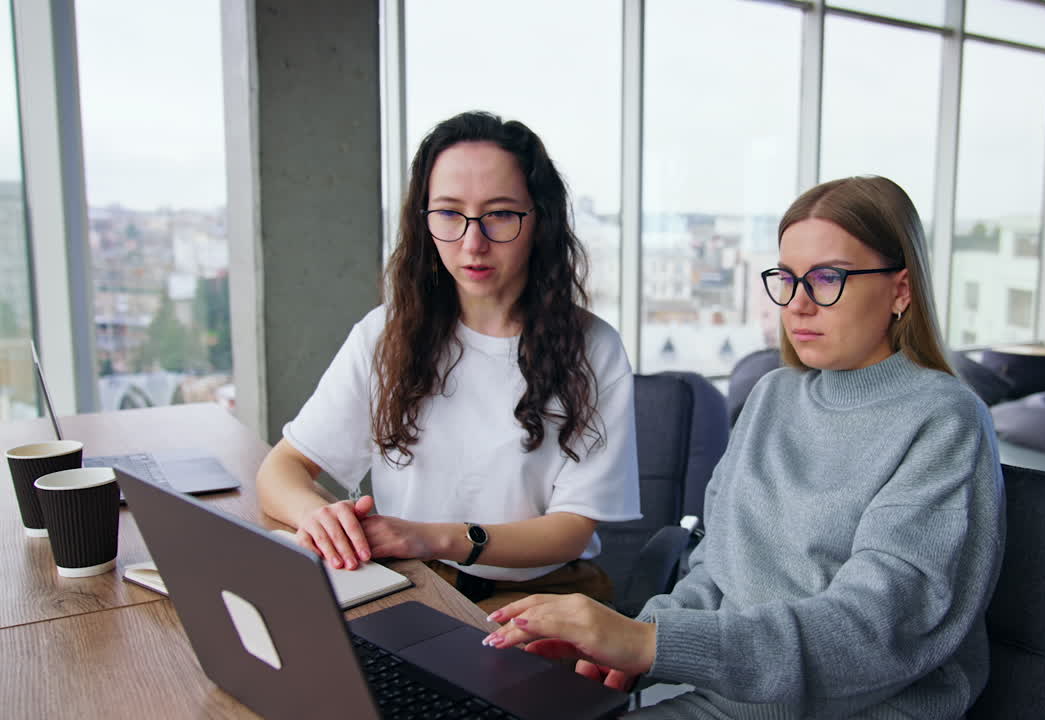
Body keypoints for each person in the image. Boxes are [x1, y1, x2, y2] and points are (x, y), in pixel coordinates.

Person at [483, 176, 1006, 719]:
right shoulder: (773, 396)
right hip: (731, 703)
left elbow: (876, 630)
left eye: (828, 278)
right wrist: (642, 636)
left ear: (901, 290)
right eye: (787, 278)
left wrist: (649, 645)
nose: (798, 305)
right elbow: (717, 569)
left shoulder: (945, 420)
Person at [256, 111, 641, 613]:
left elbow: (570, 531)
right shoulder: (385, 333)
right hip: (410, 587)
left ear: (540, 220)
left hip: (542, 599)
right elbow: (281, 469)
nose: (472, 242)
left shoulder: (594, 349)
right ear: (424, 219)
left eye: (500, 214)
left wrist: (429, 538)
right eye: (449, 213)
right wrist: (319, 517)